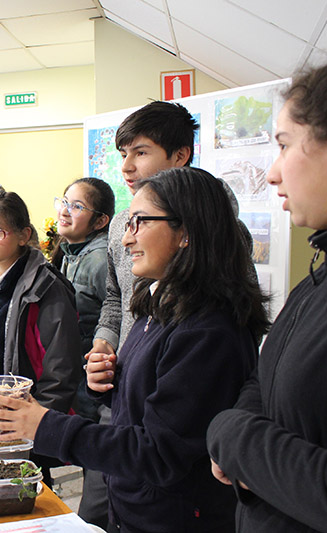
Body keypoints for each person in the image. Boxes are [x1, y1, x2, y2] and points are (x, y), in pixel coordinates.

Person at [0, 168, 270, 532]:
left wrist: (47, 425)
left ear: (186, 232)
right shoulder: (157, 304)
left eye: (139, 223)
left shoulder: (208, 330)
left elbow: (160, 452)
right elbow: (145, 408)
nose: (126, 239)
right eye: (127, 222)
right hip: (134, 506)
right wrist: (108, 382)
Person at [207, 52, 327, 532]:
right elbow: (265, 379)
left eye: (284, 145)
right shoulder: (325, 272)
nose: (275, 172)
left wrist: (230, 435)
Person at [81, 100, 199, 530]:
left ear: (180, 156)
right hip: (121, 387)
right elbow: (115, 299)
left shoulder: (211, 224)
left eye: (141, 152)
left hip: (170, 392)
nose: (127, 166)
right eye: (123, 154)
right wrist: (103, 345)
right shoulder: (118, 226)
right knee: (99, 509)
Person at [0, 189, 82, 426]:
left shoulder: (46, 287)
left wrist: (40, 424)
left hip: (26, 422)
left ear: (23, 235)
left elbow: (62, 370)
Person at [51, 177, 114, 422]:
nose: (65, 211)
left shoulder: (99, 260)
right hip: (74, 369)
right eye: (64, 202)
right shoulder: (71, 251)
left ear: (100, 221)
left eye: (77, 206)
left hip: (92, 372)